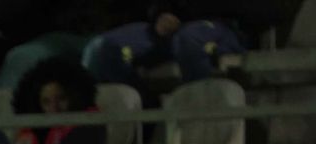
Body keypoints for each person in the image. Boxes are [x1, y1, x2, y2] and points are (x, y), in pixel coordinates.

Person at [82, 4, 246, 88]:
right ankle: (141, 103)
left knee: (188, 38)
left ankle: (198, 103)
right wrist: (161, 15)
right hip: (162, 31)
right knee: (101, 47)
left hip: (217, 25)